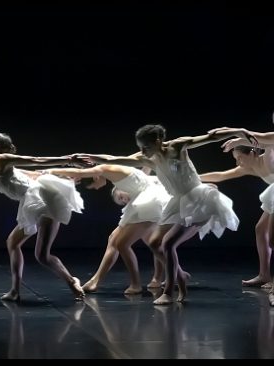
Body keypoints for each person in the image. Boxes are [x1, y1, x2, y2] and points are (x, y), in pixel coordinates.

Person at [77, 124, 249, 304]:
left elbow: (210, 137)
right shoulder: (149, 159)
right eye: (141, 147)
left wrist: (240, 132)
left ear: (158, 141)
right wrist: (90, 158)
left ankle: (169, 291)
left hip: (196, 198)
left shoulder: (176, 146)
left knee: (167, 243)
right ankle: (180, 276)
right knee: (154, 242)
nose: (143, 151)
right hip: (177, 200)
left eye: (146, 147)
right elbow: (114, 159)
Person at [0, 132, 85, 302]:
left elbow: (36, 160)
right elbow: (34, 173)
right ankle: (16, 290)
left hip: (43, 198)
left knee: (35, 252)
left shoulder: (1, 158)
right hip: (35, 200)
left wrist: (69, 159)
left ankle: (71, 281)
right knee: (32, 251)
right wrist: (63, 175)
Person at [45, 164, 173, 294]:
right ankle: (97, 280)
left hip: (149, 201)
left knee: (123, 243)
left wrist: (50, 170)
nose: (96, 188)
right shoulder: (114, 172)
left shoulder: (106, 169)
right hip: (143, 201)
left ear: (95, 177)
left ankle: (140, 282)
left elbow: (79, 171)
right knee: (114, 239)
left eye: (93, 186)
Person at [199, 145, 274, 288]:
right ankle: (264, 274)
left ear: (252, 153)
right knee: (260, 229)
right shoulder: (249, 168)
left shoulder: (269, 158)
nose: (238, 162)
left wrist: (241, 137)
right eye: (236, 159)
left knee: (272, 238)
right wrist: (193, 179)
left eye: (240, 157)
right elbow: (221, 175)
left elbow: (270, 141)